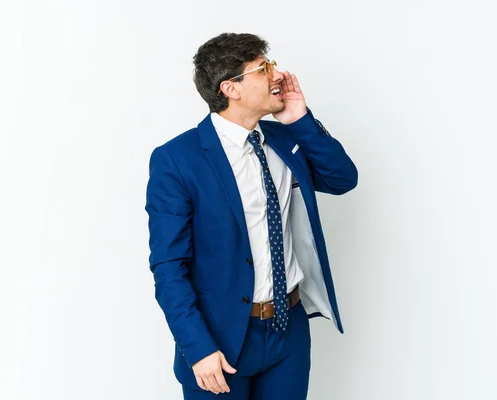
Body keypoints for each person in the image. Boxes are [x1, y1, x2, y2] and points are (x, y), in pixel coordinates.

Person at [145, 32, 358, 399]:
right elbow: (168, 266)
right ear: (232, 88)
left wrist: (300, 119)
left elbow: (343, 179)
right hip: (220, 340)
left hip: (288, 330)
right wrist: (198, 347)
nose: (276, 76)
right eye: (263, 69)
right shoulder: (178, 160)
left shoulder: (283, 139)